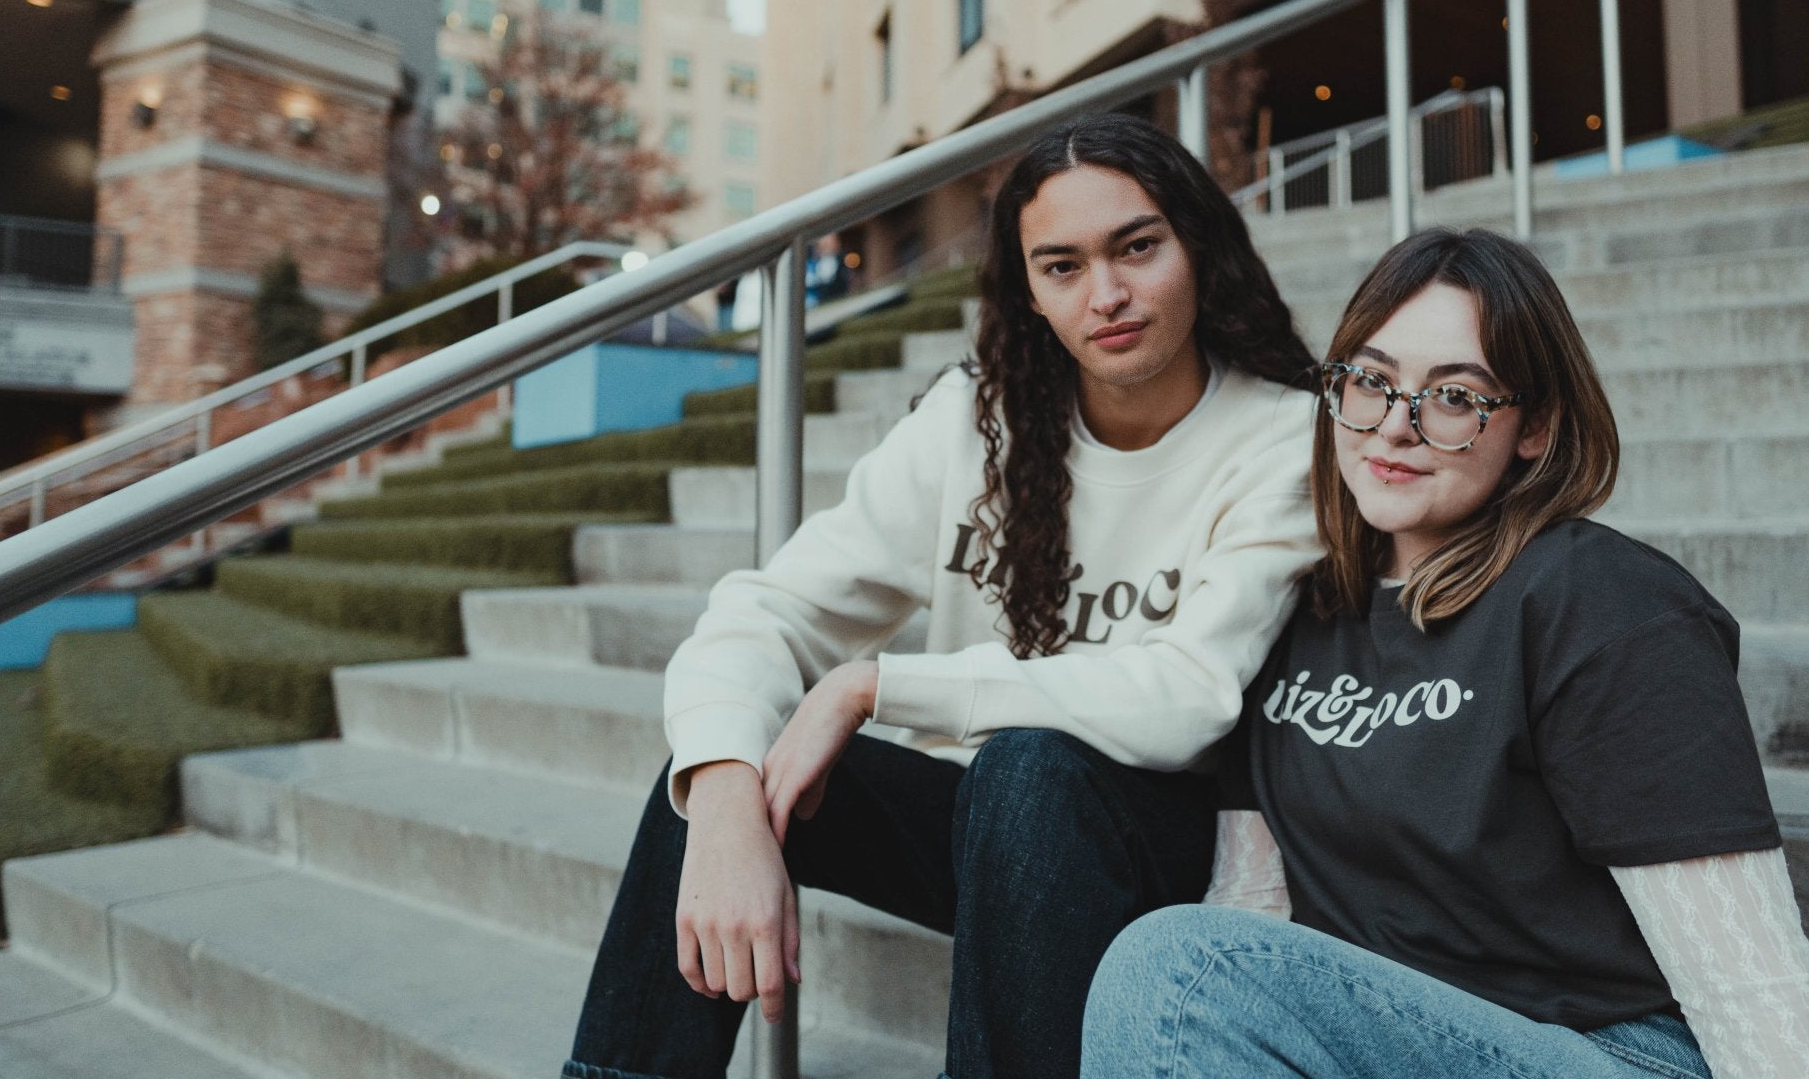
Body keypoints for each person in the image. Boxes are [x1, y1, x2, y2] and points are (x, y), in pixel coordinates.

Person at [563, 112, 1324, 1079]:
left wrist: (872, 687)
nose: (1109, 294)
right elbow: (768, 611)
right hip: (988, 833)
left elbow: (1190, 694)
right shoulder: (979, 421)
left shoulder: (1283, 439)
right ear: (1030, 292)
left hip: (1158, 845)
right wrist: (719, 806)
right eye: (1063, 266)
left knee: (1031, 768)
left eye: (1138, 247)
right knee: (716, 760)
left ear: (1199, 248)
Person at [1081, 228, 1809, 1079]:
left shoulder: (1604, 605)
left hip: (1606, 1051)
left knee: (1184, 968)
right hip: (1382, 1044)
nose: (1395, 429)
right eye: (1372, 382)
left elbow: (1750, 986)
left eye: (1455, 398)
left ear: (1536, 428)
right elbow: (1253, 908)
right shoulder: (1298, 613)